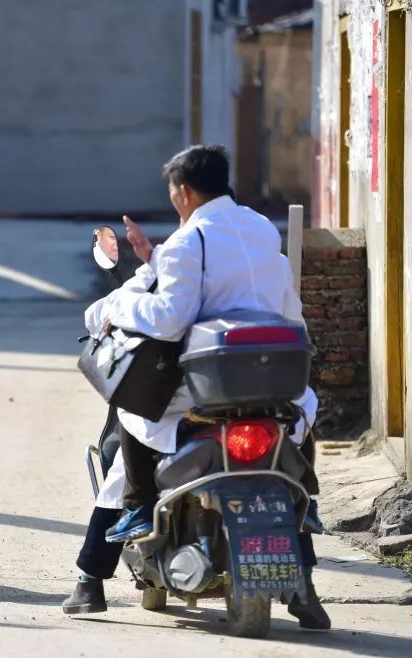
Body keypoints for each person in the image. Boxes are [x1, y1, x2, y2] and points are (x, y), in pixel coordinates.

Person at [62, 145, 330, 630]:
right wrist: (152, 258)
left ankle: (132, 523)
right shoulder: (258, 227)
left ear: (183, 192)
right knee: (292, 433)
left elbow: (168, 320)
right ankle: (305, 552)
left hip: (210, 391)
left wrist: (119, 310)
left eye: (172, 193)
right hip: (275, 385)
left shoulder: (190, 242)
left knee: (131, 416)